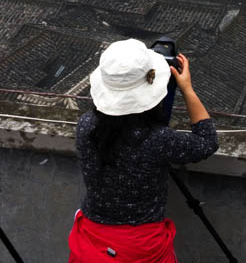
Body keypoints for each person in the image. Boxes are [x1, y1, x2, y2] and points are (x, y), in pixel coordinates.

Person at [69, 39, 218, 263]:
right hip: (140, 247)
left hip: (92, 240)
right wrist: (186, 88)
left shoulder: (86, 126)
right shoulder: (157, 140)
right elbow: (207, 141)